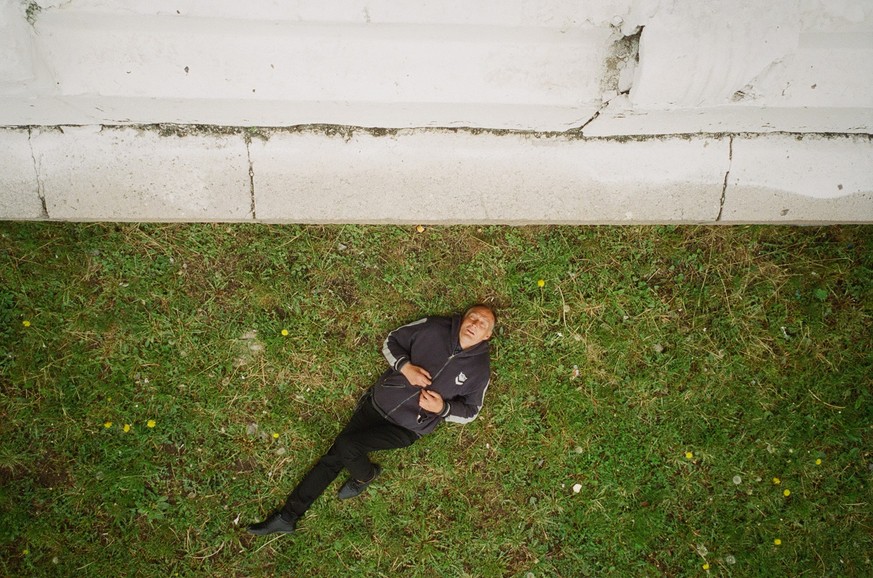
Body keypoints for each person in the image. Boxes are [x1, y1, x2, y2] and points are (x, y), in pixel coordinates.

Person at [247, 304, 496, 535]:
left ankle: (364, 476)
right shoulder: (433, 327)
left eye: (483, 323)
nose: (475, 323)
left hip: (408, 428)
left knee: (346, 445)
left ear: (487, 336)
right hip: (377, 404)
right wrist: (405, 368)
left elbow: (471, 411)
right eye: (473, 317)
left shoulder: (479, 369)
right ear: (464, 318)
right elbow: (392, 340)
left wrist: (442, 408)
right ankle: (288, 517)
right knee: (334, 457)